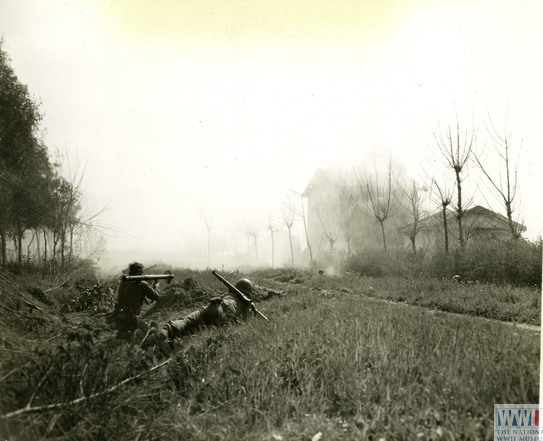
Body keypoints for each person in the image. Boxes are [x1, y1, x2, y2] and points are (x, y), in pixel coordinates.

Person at [148, 278, 255, 347]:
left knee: (187, 322)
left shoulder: (230, 295)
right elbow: (247, 321)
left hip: (216, 304)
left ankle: (165, 332)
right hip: (227, 316)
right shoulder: (247, 307)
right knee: (202, 337)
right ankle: (175, 347)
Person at [113, 262, 161, 340]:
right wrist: (156, 286)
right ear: (140, 272)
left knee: (124, 333)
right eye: (141, 272)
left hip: (120, 315)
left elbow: (133, 291)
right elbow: (155, 296)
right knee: (150, 330)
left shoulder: (124, 281)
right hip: (131, 318)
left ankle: (122, 340)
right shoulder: (142, 283)